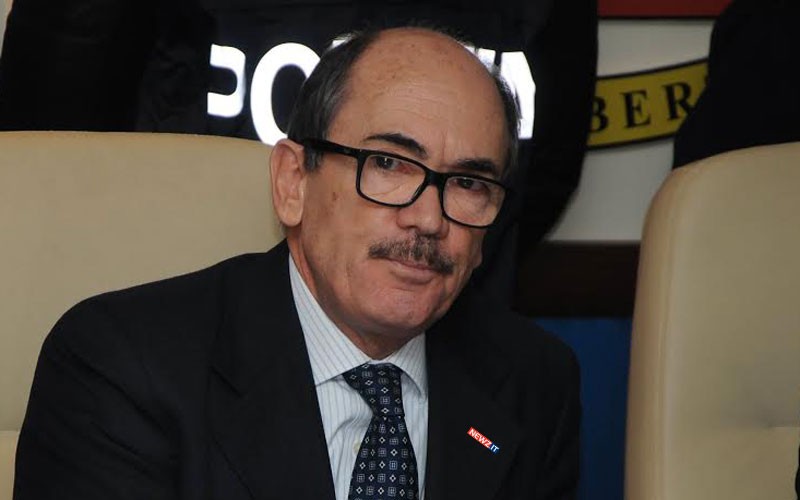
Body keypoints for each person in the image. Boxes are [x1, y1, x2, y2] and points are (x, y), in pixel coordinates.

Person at [13, 27, 580, 500]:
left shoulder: (533, 381)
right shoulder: (122, 367)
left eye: (468, 183)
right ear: (293, 183)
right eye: (388, 164)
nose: (429, 219)